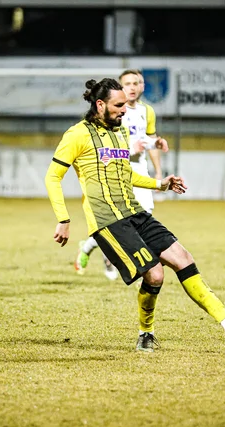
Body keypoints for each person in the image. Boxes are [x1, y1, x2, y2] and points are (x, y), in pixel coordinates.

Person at [44, 78, 225, 352]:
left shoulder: (121, 132)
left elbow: (124, 173)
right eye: (119, 105)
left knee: (183, 258)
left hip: (133, 211)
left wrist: (159, 183)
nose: (125, 110)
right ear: (100, 105)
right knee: (155, 275)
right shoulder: (77, 135)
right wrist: (64, 219)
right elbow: (53, 177)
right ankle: (145, 334)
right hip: (107, 221)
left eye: (125, 104)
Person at [73, 69, 168, 281]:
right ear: (120, 88)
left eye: (137, 83)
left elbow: (149, 140)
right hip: (115, 169)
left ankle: (89, 247)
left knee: (143, 219)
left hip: (138, 170)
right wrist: (127, 149)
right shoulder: (114, 111)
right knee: (115, 220)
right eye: (128, 83)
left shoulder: (148, 112)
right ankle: (121, 260)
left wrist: (158, 163)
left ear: (143, 86)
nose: (133, 87)